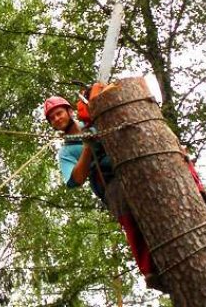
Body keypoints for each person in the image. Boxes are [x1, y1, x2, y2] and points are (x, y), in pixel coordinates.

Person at [44, 96, 167, 292]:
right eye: (52, 118)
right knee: (128, 215)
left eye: (58, 113)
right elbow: (75, 180)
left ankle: (202, 201)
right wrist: (86, 148)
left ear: (69, 112)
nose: (56, 119)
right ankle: (150, 270)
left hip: (130, 165)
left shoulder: (93, 122)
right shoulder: (66, 151)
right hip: (108, 181)